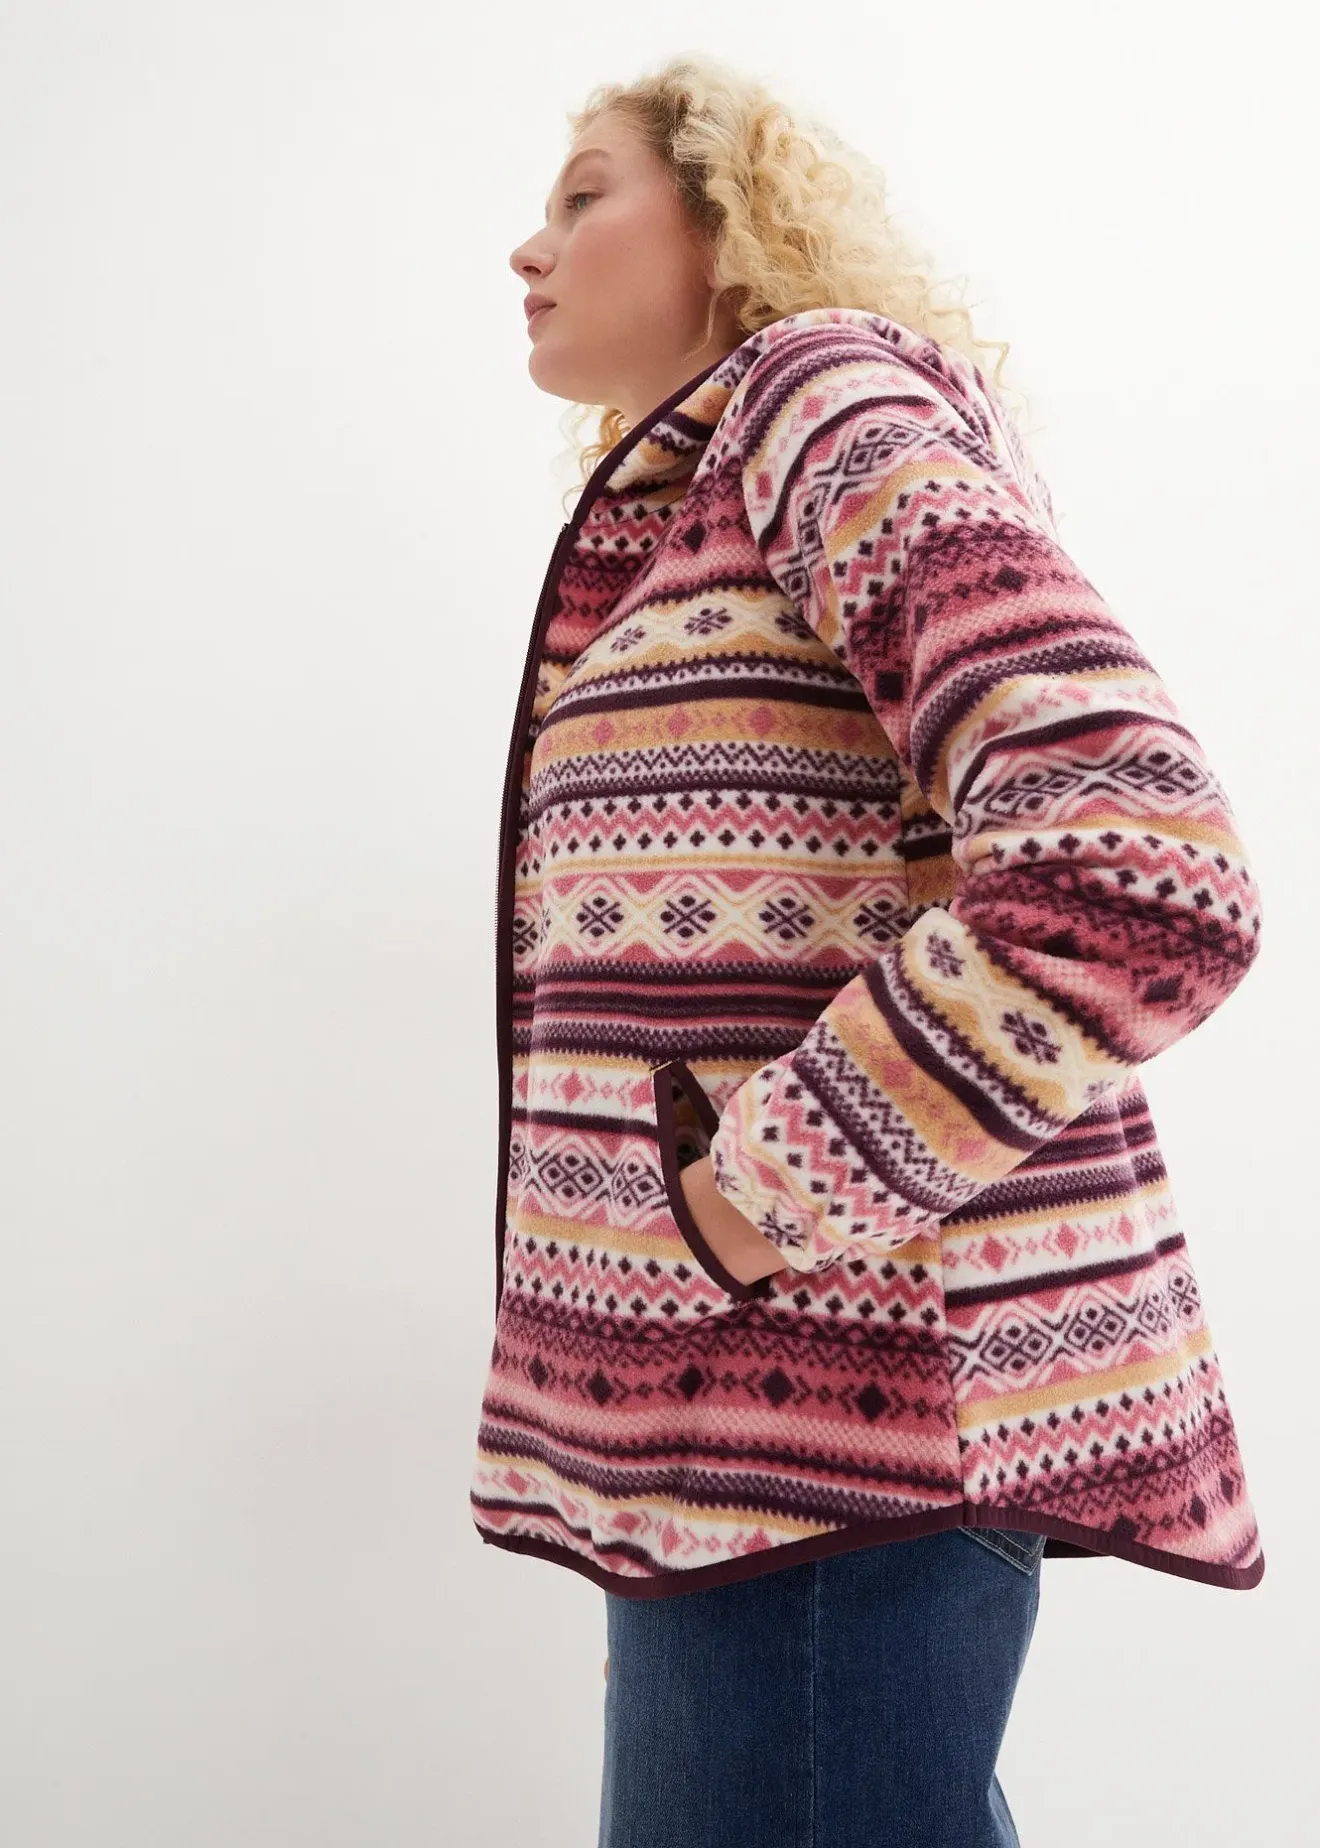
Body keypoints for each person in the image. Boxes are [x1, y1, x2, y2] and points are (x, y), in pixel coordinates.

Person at [475, 52, 1265, 1848]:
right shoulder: (693, 500)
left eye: (584, 195)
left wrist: (760, 1195)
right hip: (738, 1430)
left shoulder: (823, 399)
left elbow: (1138, 861)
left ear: (730, 221)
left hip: (842, 1408)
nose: (528, 248)